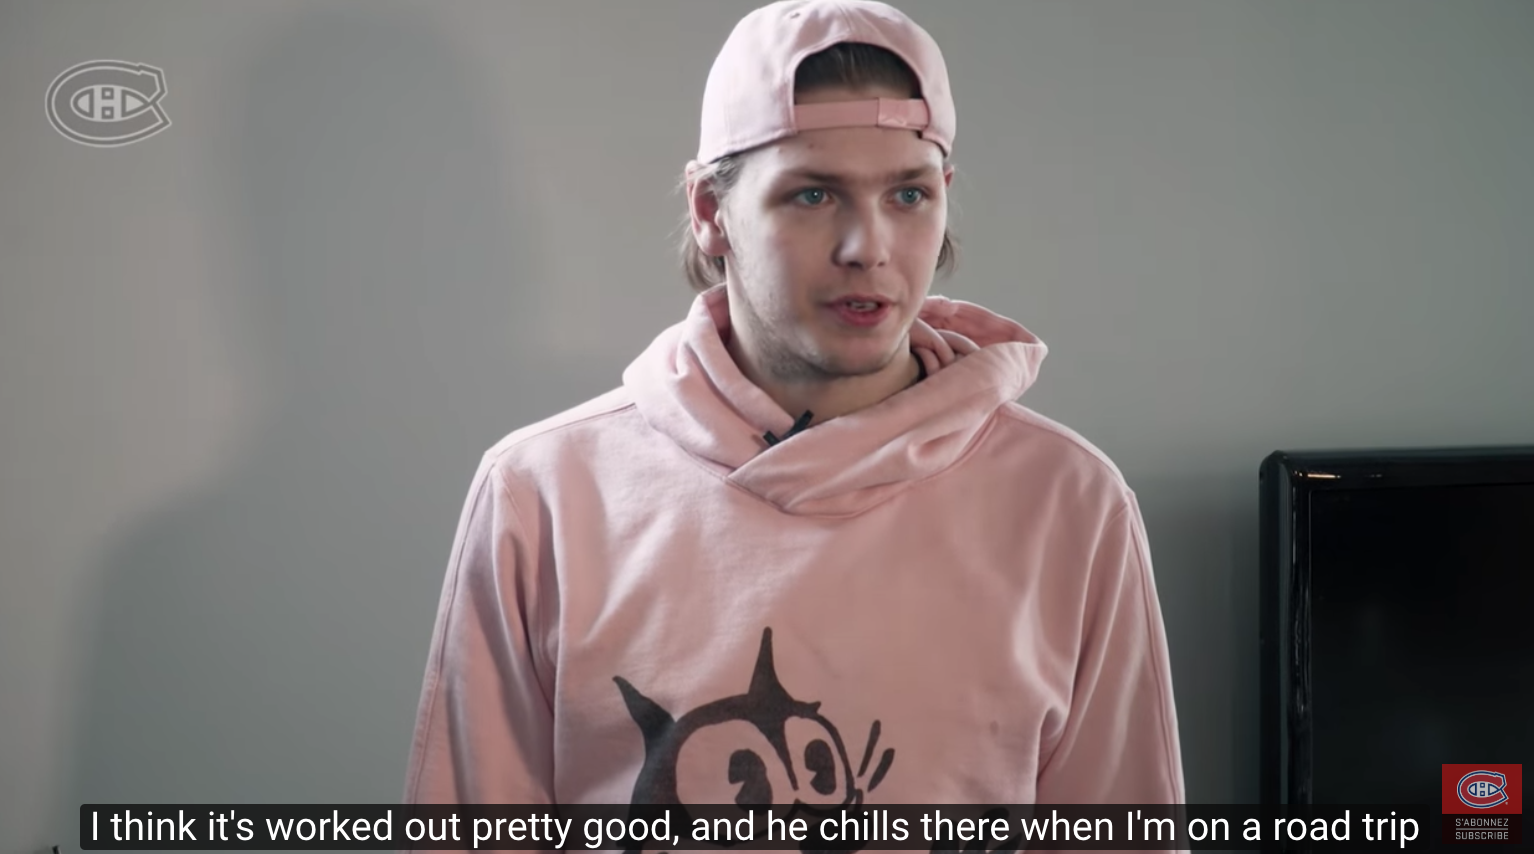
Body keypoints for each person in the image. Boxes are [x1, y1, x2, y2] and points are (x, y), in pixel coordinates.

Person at [402, 0, 1186, 842]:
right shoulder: (544, 495)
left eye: (909, 195)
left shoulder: (1068, 503)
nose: (867, 246)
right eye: (813, 194)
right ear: (710, 211)